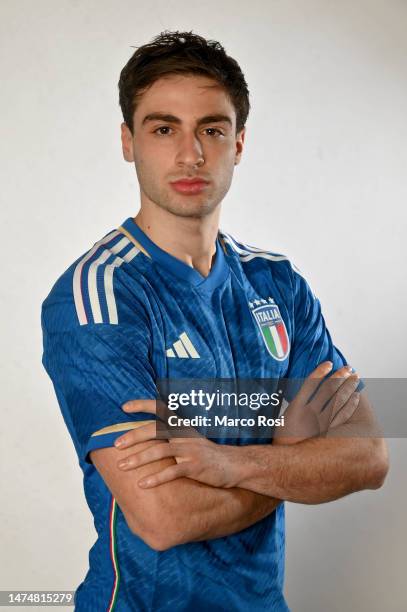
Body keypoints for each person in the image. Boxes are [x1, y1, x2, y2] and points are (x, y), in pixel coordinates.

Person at [41, 30, 389, 611]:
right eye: (163, 129)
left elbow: (369, 457)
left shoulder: (279, 283)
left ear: (239, 142)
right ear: (128, 142)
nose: (190, 154)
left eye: (211, 128)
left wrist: (232, 463)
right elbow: (163, 517)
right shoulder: (98, 296)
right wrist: (292, 455)